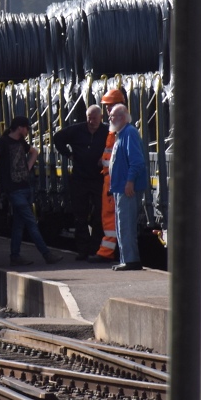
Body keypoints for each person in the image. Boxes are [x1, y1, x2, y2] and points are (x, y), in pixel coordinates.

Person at [0, 115, 58, 266]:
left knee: (19, 225)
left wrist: (27, 168)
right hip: (13, 189)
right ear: (20, 128)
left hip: (25, 187)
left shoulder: (20, 141)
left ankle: (15, 256)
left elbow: (34, 152)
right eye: (26, 128)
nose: (27, 131)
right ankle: (47, 254)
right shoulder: (3, 142)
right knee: (31, 222)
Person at [52, 105, 108, 258]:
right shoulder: (77, 130)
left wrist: (105, 158)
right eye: (89, 118)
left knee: (100, 214)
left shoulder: (106, 131)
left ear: (101, 118)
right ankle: (82, 250)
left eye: (94, 118)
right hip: (80, 178)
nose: (91, 121)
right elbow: (58, 138)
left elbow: (115, 145)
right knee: (80, 216)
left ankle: (95, 248)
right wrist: (68, 154)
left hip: (98, 179)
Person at [89, 88, 130, 263]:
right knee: (110, 217)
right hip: (109, 178)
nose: (107, 110)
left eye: (110, 106)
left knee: (110, 218)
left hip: (113, 180)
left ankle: (107, 253)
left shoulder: (121, 130)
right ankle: (113, 252)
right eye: (106, 107)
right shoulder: (114, 130)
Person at [108, 102, 149, 271]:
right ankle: (126, 259)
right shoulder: (121, 134)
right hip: (120, 188)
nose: (110, 118)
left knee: (126, 224)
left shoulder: (129, 133)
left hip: (127, 188)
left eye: (112, 116)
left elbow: (137, 162)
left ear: (122, 117)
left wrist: (130, 181)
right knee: (121, 224)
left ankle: (131, 260)